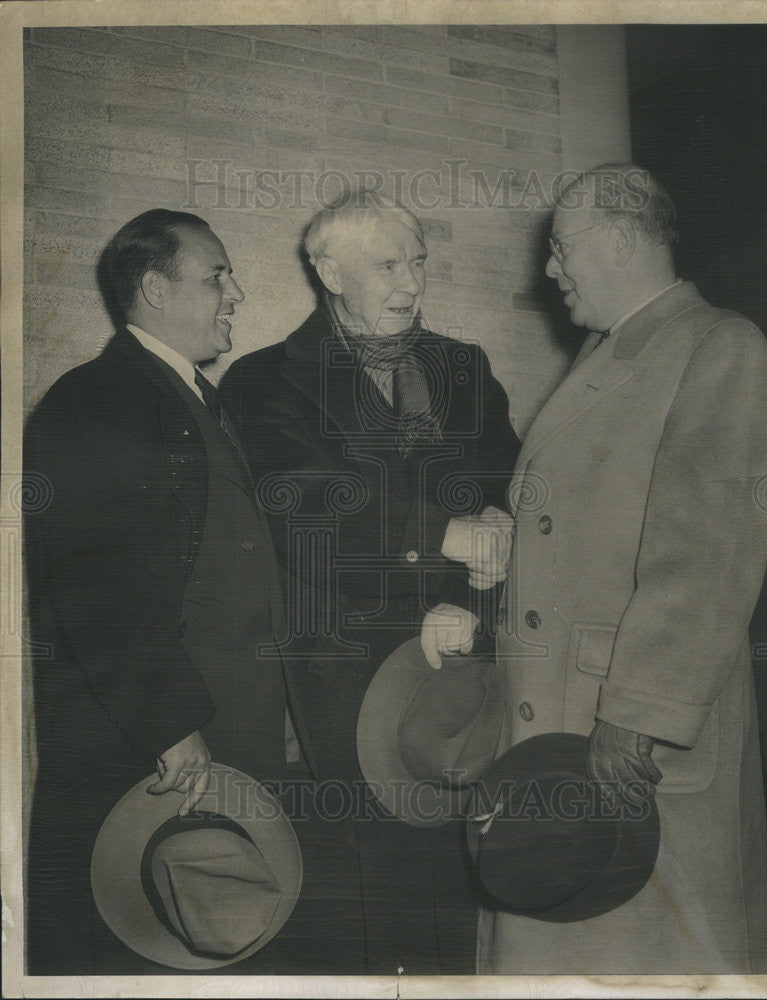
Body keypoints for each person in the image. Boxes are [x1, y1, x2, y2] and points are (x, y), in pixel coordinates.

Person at [482, 163, 767, 974]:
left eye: (560, 247)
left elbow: (707, 554)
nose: (549, 268)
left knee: (650, 962)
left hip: (629, 736)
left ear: (616, 241)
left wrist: (637, 711)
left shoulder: (717, 344)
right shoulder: (603, 354)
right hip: (566, 722)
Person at [219, 190, 521, 974]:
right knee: (374, 903)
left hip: (463, 673)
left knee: (464, 887)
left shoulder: (464, 366)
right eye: (388, 264)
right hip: (353, 680)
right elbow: (305, 506)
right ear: (329, 271)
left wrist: (485, 547)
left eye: (417, 262)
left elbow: (510, 481)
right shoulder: (263, 381)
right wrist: (446, 538)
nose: (412, 283)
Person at [24, 209, 291, 974]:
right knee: (137, 955)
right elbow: (96, 584)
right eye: (216, 276)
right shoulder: (96, 399)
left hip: (221, 739)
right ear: (152, 288)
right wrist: (170, 723)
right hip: (155, 750)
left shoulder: (199, 400)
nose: (235, 292)